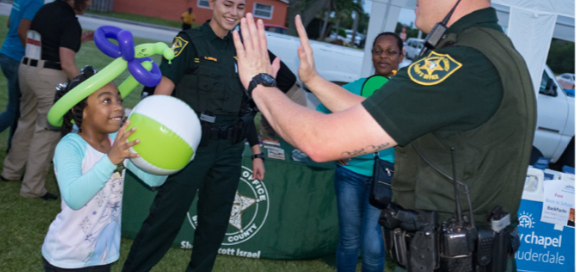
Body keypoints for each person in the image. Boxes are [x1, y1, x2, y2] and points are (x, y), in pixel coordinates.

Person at [233, 0, 536, 269]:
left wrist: (260, 83)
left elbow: (320, 142)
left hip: (453, 257)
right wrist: (312, 79)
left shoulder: (461, 62)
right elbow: (375, 113)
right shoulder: (493, 52)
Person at [122, 0, 266, 271]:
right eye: (227, 4)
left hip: (230, 150)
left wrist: (257, 151)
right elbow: (160, 96)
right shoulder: (188, 42)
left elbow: (246, 107)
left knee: (215, 225)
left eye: (240, 6)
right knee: (165, 220)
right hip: (191, 148)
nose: (233, 12)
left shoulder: (244, 50)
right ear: (211, 2)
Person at [41, 67, 167, 272]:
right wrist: (111, 159)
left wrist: (164, 154)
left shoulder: (115, 142)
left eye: (119, 100)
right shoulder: (70, 146)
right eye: (106, 101)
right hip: (67, 258)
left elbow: (154, 181)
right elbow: (73, 197)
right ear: (79, 110)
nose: (119, 108)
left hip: (102, 255)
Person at [316, 32, 404, 272]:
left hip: (386, 177)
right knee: (349, 240)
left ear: (401, 56)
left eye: (390, 51)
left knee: (373, 244)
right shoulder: (354, 87)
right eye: (378, 50)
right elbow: (321, 113)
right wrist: (335, 148)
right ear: (372, 54)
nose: (383, 56)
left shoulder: (407, 94)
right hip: (350, 174)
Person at [1, 0, 94, 200]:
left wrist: (81, 38)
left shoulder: (46, 9)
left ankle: (10, 171)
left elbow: (49, 40)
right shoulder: (69, 20)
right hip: (49, 75)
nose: (90, 2)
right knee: (47, 130)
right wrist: (85, 89)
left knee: (26, 122)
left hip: (27, 68)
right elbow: (67, 63)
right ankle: (33, 188)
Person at [0, 0, 43, 154]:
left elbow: (9, 23)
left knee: (17, 109)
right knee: (13, 110)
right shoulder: (36, 2)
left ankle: (12, 148)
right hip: (17, 59)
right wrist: (33, 57)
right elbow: (22, 30)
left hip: (6, 54)